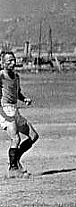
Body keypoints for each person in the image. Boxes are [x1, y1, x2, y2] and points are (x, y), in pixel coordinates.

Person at [2, 50, 39, 178]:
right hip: (4, 110)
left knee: (33, 136)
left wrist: (24, 99)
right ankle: (13, 169)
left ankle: (15, 160)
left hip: (14, 109)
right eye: (9, 61)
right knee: (16, 138)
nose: (13, 63)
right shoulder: (0, 76)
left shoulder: (16, 77)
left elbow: (17, 93)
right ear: (2, 63)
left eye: (13, 60)